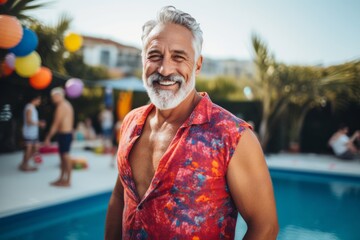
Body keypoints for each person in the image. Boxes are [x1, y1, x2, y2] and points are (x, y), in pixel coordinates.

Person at [105, 6, 278, 239]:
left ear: (197, 64)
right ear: (143, 61)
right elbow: (119, 197)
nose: (165, 69)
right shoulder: (131, 122)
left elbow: (265, 227)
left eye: (179, 57)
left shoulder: (232, 136)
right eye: (155, 55)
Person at [44, 87, 74, 187]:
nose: (52, 99)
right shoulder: (67, 105)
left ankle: (68, 181)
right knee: (62, 157)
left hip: (64, 134)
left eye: (53, 97)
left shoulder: (61, 107)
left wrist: (48, 137)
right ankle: (62, 178)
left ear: (58, 95)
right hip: (66, 134)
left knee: (65, 157)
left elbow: (55, 124)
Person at [19, 95, 46, 171]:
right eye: (39, 99)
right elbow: (28, 121)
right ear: (34, 99)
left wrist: (38, 123)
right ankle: (25, 165)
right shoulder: (29, 107)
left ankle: (24, 163)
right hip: (29, 133)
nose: (39, 101)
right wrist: (39, 123)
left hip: (33, 132)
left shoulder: (32, 107)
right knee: (29, 149)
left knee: (34, 148)